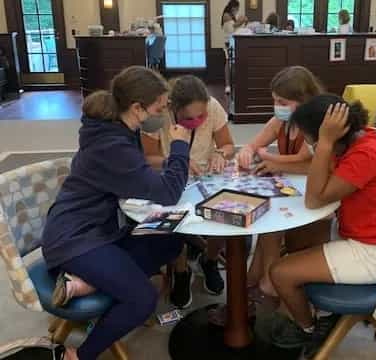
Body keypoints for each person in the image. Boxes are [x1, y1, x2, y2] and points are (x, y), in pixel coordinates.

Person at [41, 66, 191, 360]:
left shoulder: (117, 129)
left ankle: (86, 283)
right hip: (75, 239)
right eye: (160, 108)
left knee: (171, 241)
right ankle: (80, 355)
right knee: (142, 299)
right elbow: (168, 193)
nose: (163, 115)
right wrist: (180, 148)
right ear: (137, 108)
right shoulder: (111, 145)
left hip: (101, 228)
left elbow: (139, 178)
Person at [268, 94, 376, 349]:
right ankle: (318, 313)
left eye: (311, 138)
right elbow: (322, 171)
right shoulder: (362, 138)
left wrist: (324, 143)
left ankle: (309, 330)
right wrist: (276, 165)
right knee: (303, 237)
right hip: (373, 235)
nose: (311, 145)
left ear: (331, 135)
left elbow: (314, 200)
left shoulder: (365, 154)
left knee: (280, 272)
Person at [236, 66, 323, 306]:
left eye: (282, 101)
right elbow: (253, 145)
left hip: (315, 192)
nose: (277, 106)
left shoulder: (317, 123)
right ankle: (259, 277)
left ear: (303, 101)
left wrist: (270, 160)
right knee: (267, 221)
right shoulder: (280, 121)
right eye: (274, 100)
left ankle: (267, 282)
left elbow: (305, 162)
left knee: (270, 224)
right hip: (290, 188)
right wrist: (247, 151)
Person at [157, 75, 235, 302]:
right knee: (175, 220)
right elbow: (147, 156)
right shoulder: (159, 114)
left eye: (201, 115)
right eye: (188, 117)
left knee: (224, 215)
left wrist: (221, 154)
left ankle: (209, 260)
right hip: (170, 177)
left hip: (206, 177)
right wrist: (175, 159)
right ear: (173, 109)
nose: (197, 121)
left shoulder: (214, 107)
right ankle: (182, 272)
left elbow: (228, 145)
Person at [222, 0, 248, 94]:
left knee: (233, 64)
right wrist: (241, 21)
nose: (237, 10)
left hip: (235, 42)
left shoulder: (233, 16)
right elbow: (232, 28)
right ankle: (228, 85)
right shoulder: (226, 15)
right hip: (228, 43)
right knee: (228, 62)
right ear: (233, 7)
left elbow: (238, 29)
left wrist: (243, 21)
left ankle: (234, 84)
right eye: (237, 8)